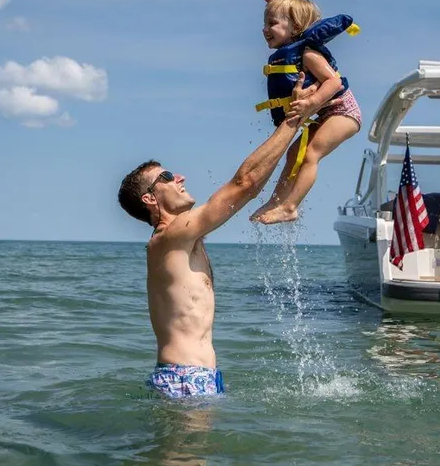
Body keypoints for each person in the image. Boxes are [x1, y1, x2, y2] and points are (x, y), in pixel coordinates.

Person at [117, 73, 323, 399]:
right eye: (167, 177)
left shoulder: (182, 239)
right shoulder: (169, 237)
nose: (180, 176)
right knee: (186, 454)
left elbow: (249, 185)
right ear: (150, 199)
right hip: (185, 377)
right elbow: (245, 184)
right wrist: (294, 119)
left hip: (198, 377)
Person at [250, 0, 362, 225]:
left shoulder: (309, 54)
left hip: (344, 112)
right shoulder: (290, 54)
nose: (265, 29)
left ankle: (290, 207)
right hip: (326, 113)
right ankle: (276, 200)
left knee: (311, 154)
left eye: (272, 23)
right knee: (294, 154)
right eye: (265, 24)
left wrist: (310, 102)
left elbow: (334, 82)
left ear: (296, 27)